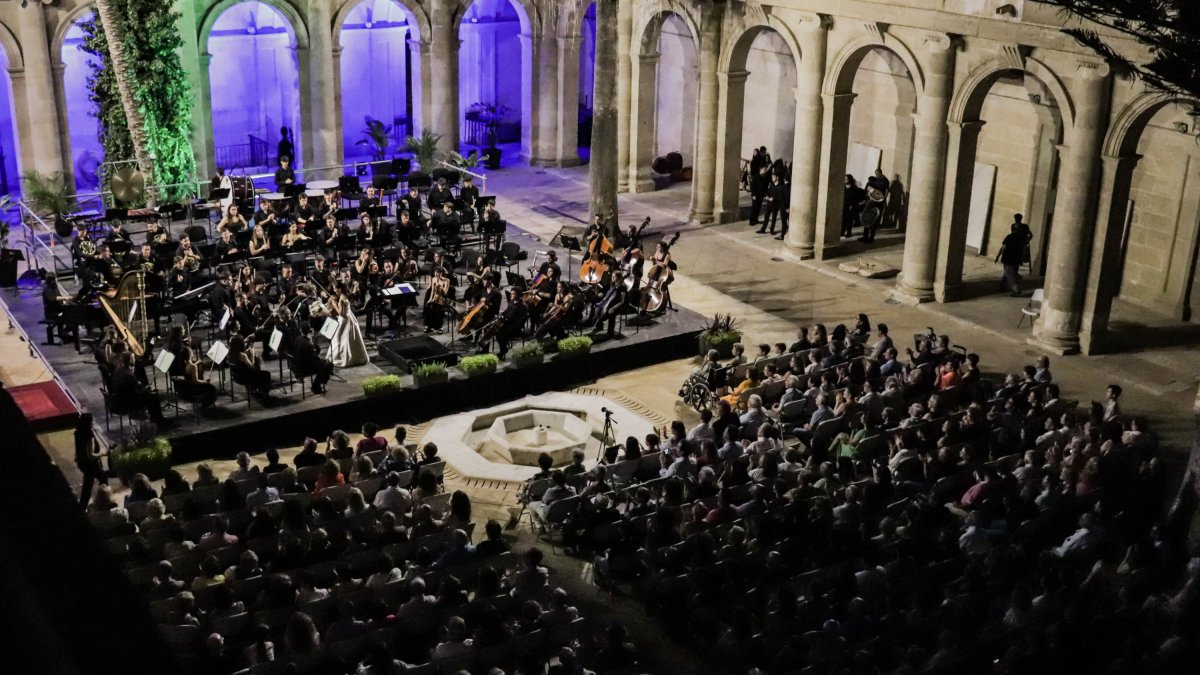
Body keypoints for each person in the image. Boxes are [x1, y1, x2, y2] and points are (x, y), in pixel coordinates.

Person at [326, 286, 368, 367]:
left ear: (340, 289)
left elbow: (341, 313)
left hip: (344, 319)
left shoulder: (342, 299)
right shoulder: (343, 296)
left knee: (338, 338)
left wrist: (334, 304)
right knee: (348, 338)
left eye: (335, 288)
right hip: (349, 317)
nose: (334, 290)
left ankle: (341, 357)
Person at [73, 414, 107, 507]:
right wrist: (102, 453)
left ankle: (83, 506)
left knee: (88, 485)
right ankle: (104, 500)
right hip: (91, 464)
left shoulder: (77, 432)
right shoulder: (88, 434)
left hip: (83, 463)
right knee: (103, 479)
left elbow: (78, 448)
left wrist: (78, 457)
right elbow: (91, 455)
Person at [290, 325, 334, 394]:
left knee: (324, 364)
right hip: (304, 369)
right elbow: (315, 359)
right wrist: (313, 344)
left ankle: (321, 381)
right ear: (309, 331)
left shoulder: (297, 338)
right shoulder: (307, 344)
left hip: (295, 366)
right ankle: (316, 386)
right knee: (328, 365)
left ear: (301, 331)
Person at [995, 222, 1027, 296]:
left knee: (1009, 274)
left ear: (1012, 229)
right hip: (1016, 259)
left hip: (1008, 258)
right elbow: (1023, 250)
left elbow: (1003, 247)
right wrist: (1021, 259)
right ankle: (1013, 284)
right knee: (1012, 273)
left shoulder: (1009, 236)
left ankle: (1016, 290)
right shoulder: (1021, 238)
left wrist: (998, 256)